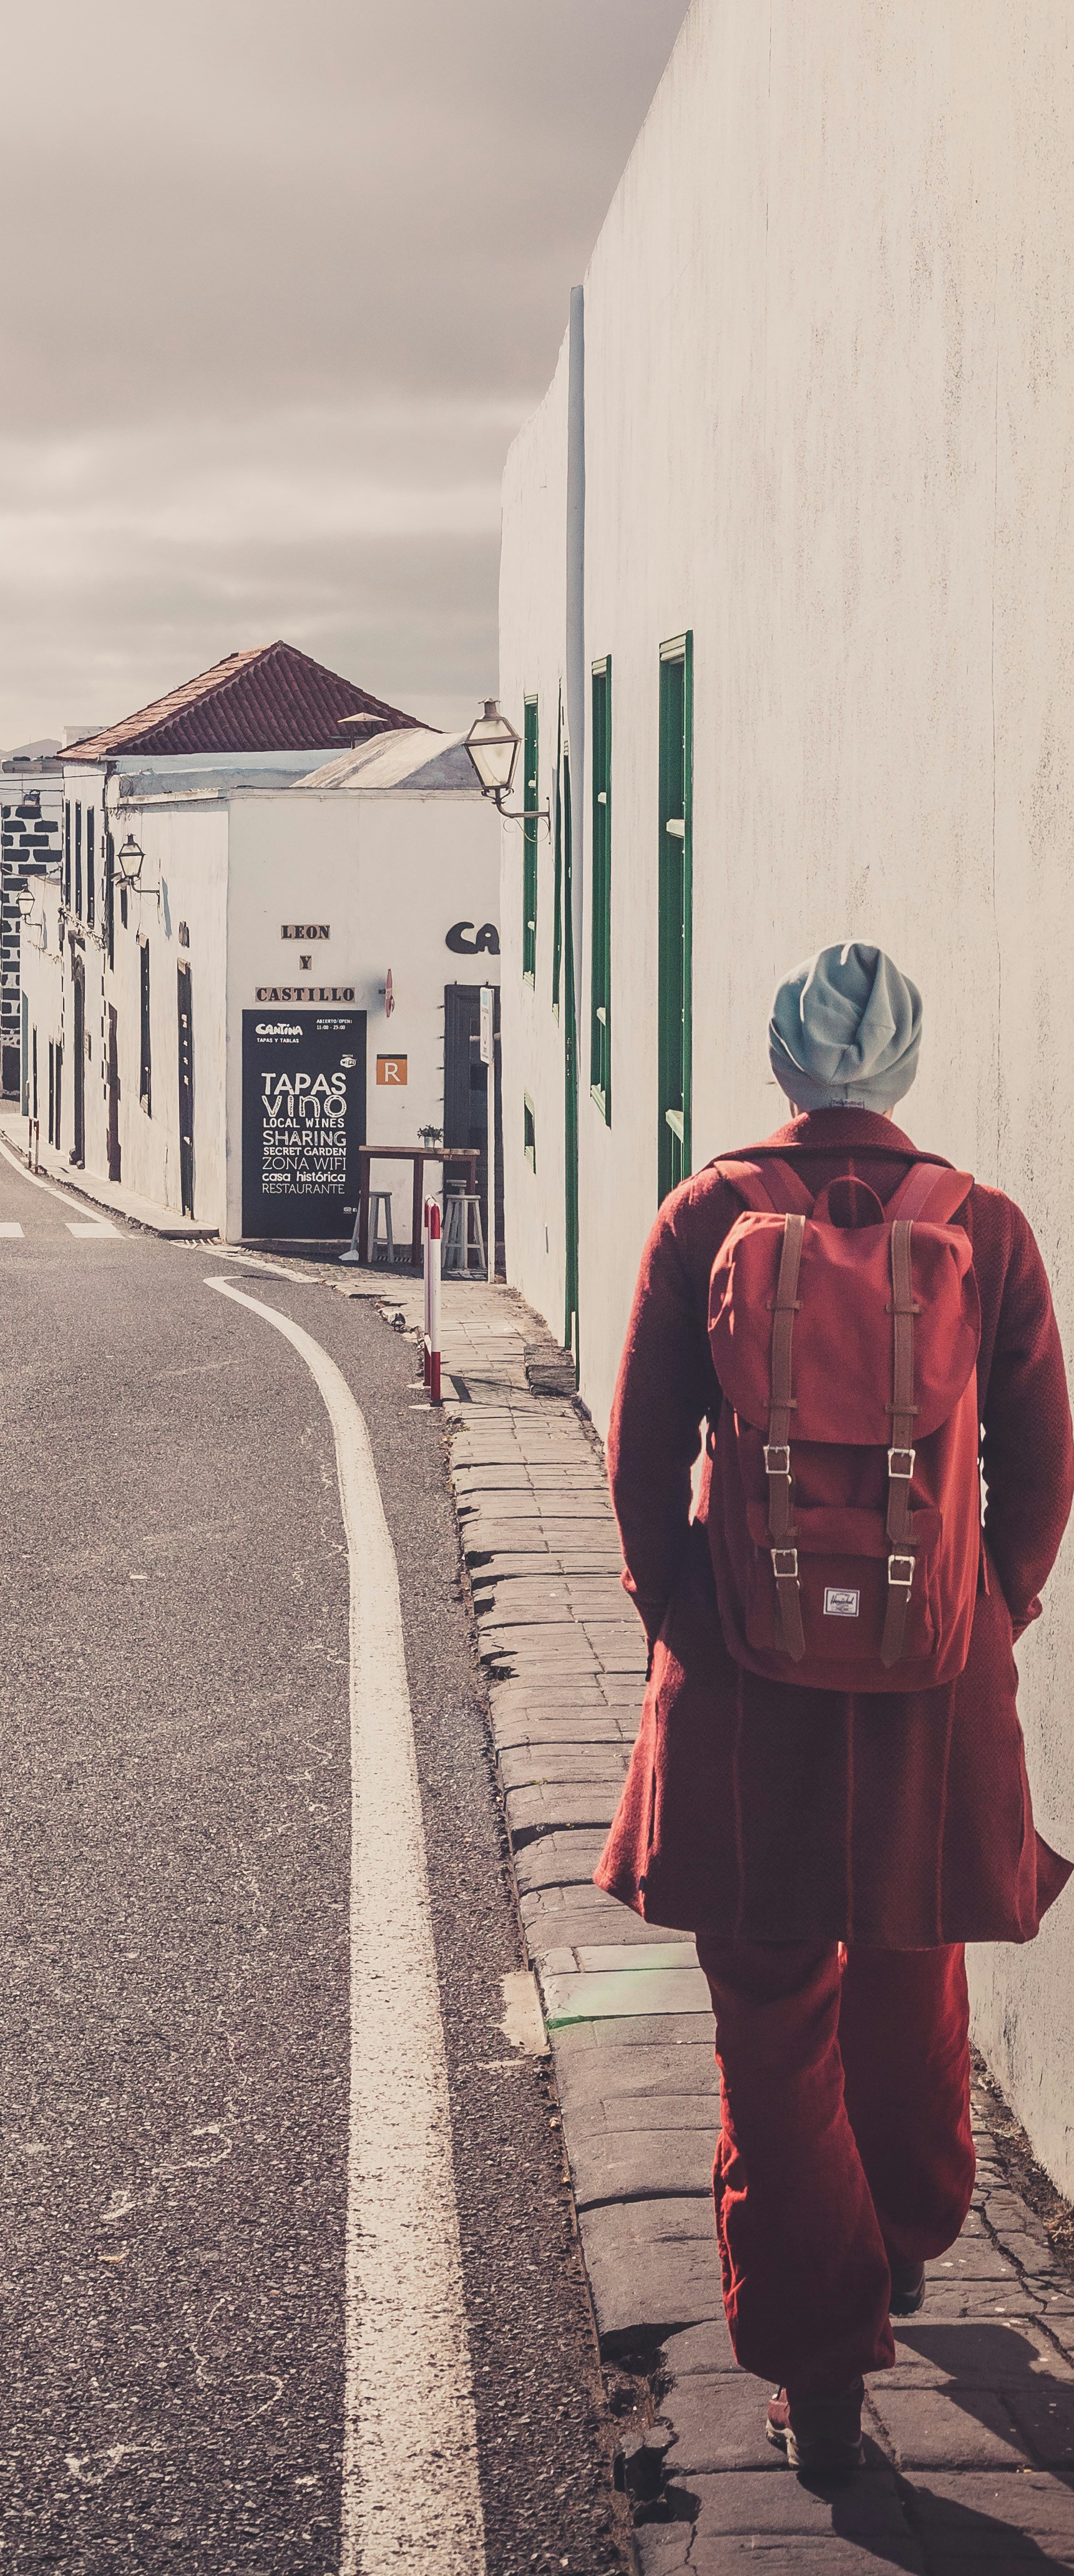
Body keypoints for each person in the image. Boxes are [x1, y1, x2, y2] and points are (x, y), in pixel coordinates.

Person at [597, 942, 1073, 2479]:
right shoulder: (983, 1227)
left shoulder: (708, 1213)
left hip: (749, 1680)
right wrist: (985, 1603)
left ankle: (819, 2364)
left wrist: (685, 1612)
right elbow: (1044, 1454)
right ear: (907, 1069)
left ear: (786, 1061)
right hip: (935, 1679)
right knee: (910, 1952)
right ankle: (920, 2228)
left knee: (774, 2011)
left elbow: (642, 1445)